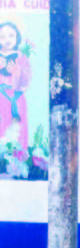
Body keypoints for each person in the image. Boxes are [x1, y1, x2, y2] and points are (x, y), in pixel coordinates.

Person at [0, 22, 31, 151]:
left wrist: (17, 72)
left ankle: (19, 155)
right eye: (2, 36)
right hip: (1, 96)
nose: (7, 39)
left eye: (11, 35)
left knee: (19, 125)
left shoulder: (22, 58)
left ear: (17, 37)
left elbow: (26, 81)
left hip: (17, 97)